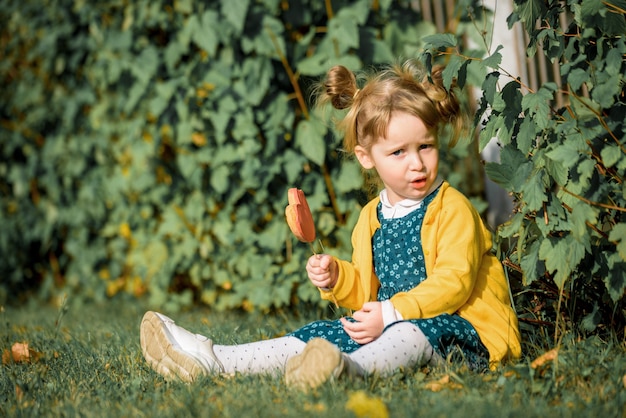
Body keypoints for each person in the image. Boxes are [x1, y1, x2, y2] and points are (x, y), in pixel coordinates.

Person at [140, 59, 521, 389]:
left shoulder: (452, 208)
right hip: (388, 325)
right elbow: (367, 293)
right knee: (320, 334)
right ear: (367, 157)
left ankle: (346, 370)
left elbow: (453, 282)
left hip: (459, 333)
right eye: (398, 152)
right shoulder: (371, 216)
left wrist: (391, 313)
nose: (417, 163)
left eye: (425, 146)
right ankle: (214, 358)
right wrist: (339, 277)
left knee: (408, 334)